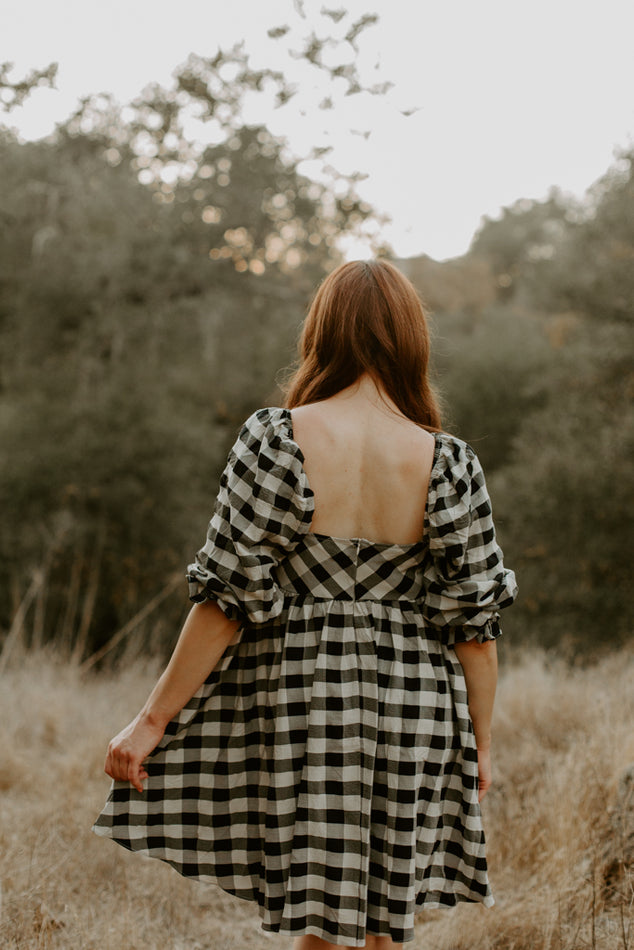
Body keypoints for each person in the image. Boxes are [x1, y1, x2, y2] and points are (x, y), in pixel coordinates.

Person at [93, 259, 518, 950]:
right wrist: (481, 743)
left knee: (316, 915)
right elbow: (476, 629)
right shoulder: (449, 461)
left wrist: (150, 721)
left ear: (322, 333)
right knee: (383, 922)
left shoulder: (276, 438)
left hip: (302, 700)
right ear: (412, 339)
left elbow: (226, 597)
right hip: (415, 708)